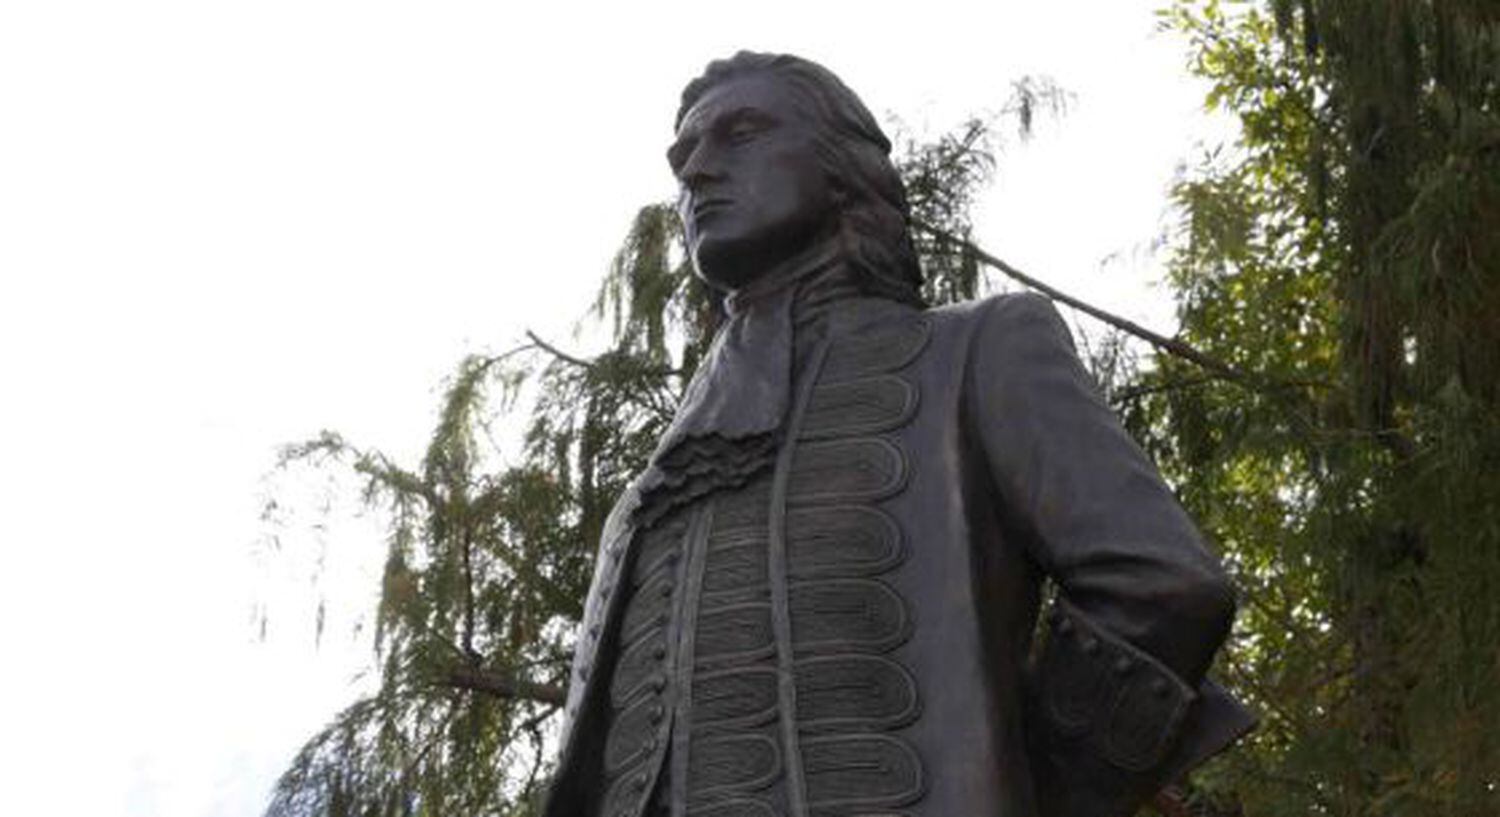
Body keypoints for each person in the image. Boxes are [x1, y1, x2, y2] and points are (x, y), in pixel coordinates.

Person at [543, 51, 1253, 817]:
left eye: (740, 132)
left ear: (840, 165)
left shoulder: (976, 351)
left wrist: (1013, 779)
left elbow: (1161, 587)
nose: (697, 172)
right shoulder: (648, 498)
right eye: (684, 157)